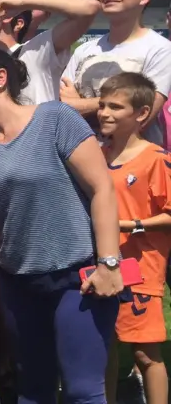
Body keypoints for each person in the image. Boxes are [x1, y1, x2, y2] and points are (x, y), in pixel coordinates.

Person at [0, 47, 123, 404]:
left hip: (77, 277)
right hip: (18, 284)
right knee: (32, 390)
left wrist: (108, 262)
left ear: (0, 78)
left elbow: (102, 189)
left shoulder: (55, 118)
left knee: (82, 390)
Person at [98, 72, 171, 404]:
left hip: (141, 270)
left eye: (115, 107)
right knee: (103, 348)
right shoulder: (96, 155)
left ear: (142, 114)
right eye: (102, 105)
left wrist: (130, 225)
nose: (104, 113)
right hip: (99, 266)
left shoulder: (156, 159)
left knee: (145, 353)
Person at [61, 0, 171, 144]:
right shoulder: (84, 50)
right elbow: (61, 109)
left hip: (128, 158)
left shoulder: (161, 49)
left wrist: (78, 105)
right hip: (79, 153)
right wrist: (122, 103)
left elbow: (143, 116)